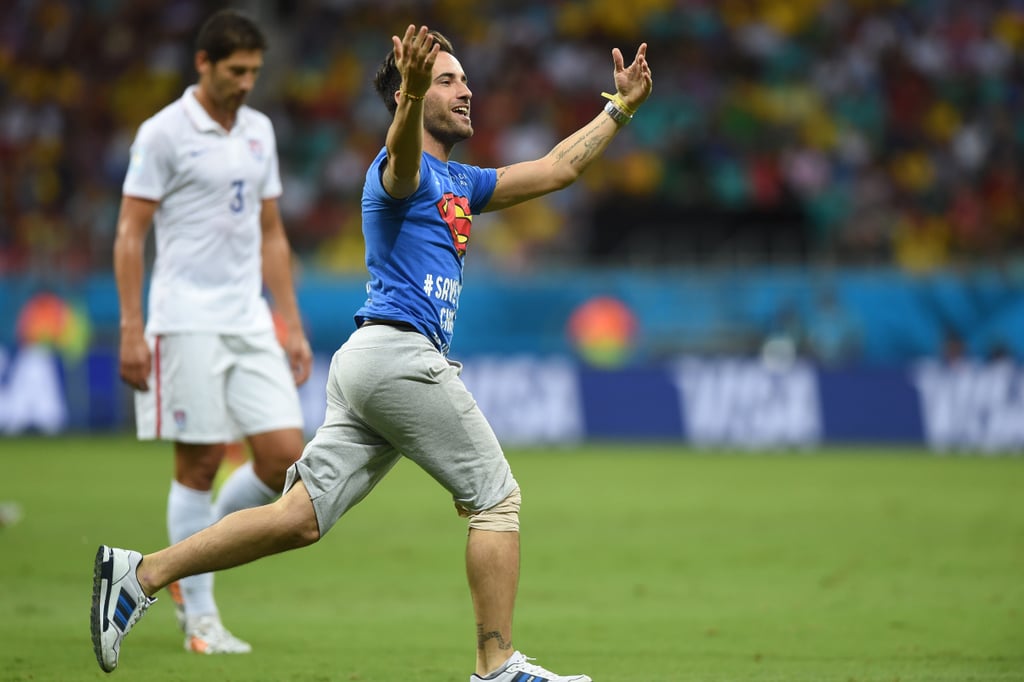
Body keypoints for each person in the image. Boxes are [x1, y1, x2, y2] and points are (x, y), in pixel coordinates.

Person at [92, 24, 652, 680]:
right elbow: (402, 155)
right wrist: (413, 95)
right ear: (408, 97)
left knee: (297, 518)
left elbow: (559, 169)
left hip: (370, 363)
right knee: (496, 499)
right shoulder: (397, 172)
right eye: (448, 80)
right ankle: (496, 666)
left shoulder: (462, 182)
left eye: (464, 79)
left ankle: (140, 574)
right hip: (398, 356)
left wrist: (619, 108)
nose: (466, 90)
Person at [110, 9, 312, 656]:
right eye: (236, 70)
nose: (248, 82)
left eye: (255, 70)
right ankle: (200, 619)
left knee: (285, 457)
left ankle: (182, 557)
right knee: (198, 464)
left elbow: (272, 232)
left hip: (250, 317)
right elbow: (130, 233)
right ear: (203, 63)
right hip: (185, 318)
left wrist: (290, 322)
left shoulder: (259, 130)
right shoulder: (164, 132)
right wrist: (132, 327)